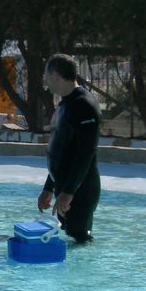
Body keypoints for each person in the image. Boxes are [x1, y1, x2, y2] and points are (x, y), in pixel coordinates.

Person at [37, 53, 101, 242]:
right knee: (70, 239)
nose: (45, 81)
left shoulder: (84, 105)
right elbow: (61, 151)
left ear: (56, 75)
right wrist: (49, 188)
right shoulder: (66, 103)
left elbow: (85, 152)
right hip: (66, 187)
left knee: (80, 240)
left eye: (47, 76)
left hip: (81, 189)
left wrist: (69, 192)